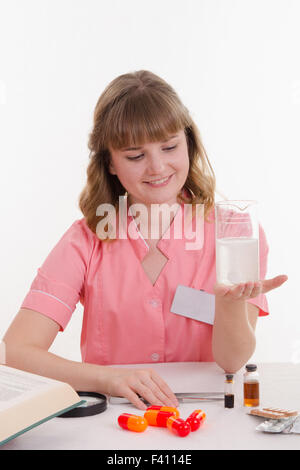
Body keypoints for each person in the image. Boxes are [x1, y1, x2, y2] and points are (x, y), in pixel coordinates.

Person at [3, 70, 287, 410]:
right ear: (109, 163)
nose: (157, 167)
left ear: (189, 144)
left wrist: (228, 307)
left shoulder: (235, 233)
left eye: (169, 147)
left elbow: (232, 361)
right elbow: (16, 353)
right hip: (118, 419)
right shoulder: (85, 240)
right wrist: (109, 379)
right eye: (135, 156)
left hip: (208, 416)